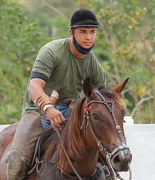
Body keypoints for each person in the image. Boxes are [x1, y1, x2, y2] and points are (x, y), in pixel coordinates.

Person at [5, 9, 106, 180]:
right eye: (83, 32)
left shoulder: (92, 62)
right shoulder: (52, 51)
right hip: (37, 111)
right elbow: (34, 85)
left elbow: (104, 97)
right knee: (17, 161)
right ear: (71, 32)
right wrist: (48, 108)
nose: (88, 37)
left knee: (106, 156)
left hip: (71, 110)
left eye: (92, 32)